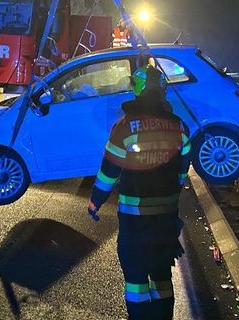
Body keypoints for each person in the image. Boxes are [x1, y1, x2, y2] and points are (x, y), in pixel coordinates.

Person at [88, 63, 191, 319]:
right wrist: (173, 193)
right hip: (166, 217)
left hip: (135, 219)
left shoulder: (124, 127)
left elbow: (108, 172)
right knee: (161, 274)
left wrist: (95, 202)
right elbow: (182, 169)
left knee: (135, 277)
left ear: (139, 90)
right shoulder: (180, 127)